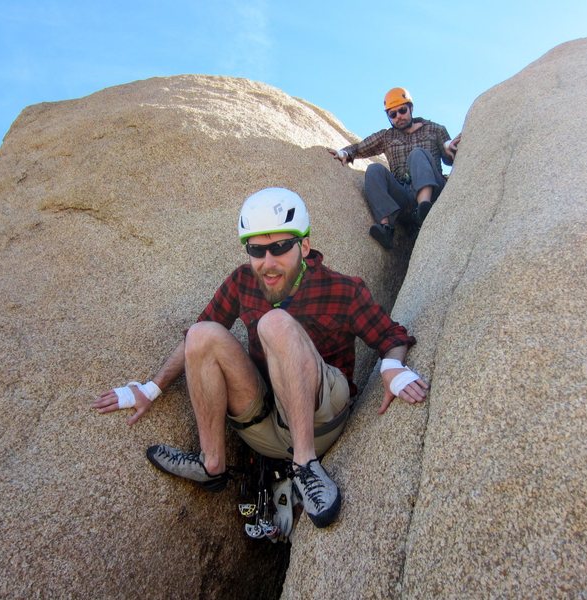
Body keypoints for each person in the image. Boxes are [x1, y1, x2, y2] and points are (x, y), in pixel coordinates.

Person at [92, 187, 429, 530]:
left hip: (320, 420)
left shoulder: (342, 289)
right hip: (264, 420)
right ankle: (211, 464)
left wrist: (393, 368)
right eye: (257, 250)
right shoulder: (242, 282)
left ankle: (306, 466)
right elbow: (196, 339)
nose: (267, 263)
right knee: (202, 334)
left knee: (275, 322)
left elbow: (392, 335)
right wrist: (151, 388)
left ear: (304, 246)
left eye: (280, 247)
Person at [329, 87, 461, 249]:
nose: (399, 116)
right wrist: (344, 153)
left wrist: (451, 149)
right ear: (389, 117)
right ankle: (386, 228)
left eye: (402, 110)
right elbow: (359, 148)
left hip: (433, 189)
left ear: (411, 108)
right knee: (374, 170)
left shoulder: (435, 129)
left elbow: (449, 157)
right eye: (393, 114)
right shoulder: (387, 137)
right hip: (405, 196)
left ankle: (424, 208)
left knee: (417, 154)